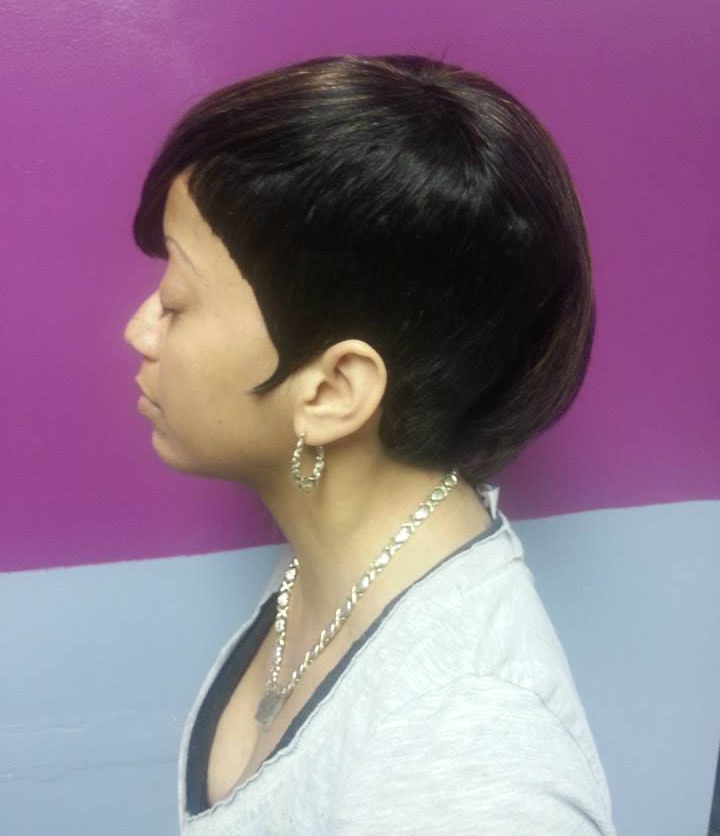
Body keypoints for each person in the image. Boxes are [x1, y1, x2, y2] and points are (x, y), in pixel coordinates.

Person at [123, 53, 617, 834]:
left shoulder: (467, 759)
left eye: (176, 301)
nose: (139, 330)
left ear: (331, 391)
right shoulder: (339, 560)